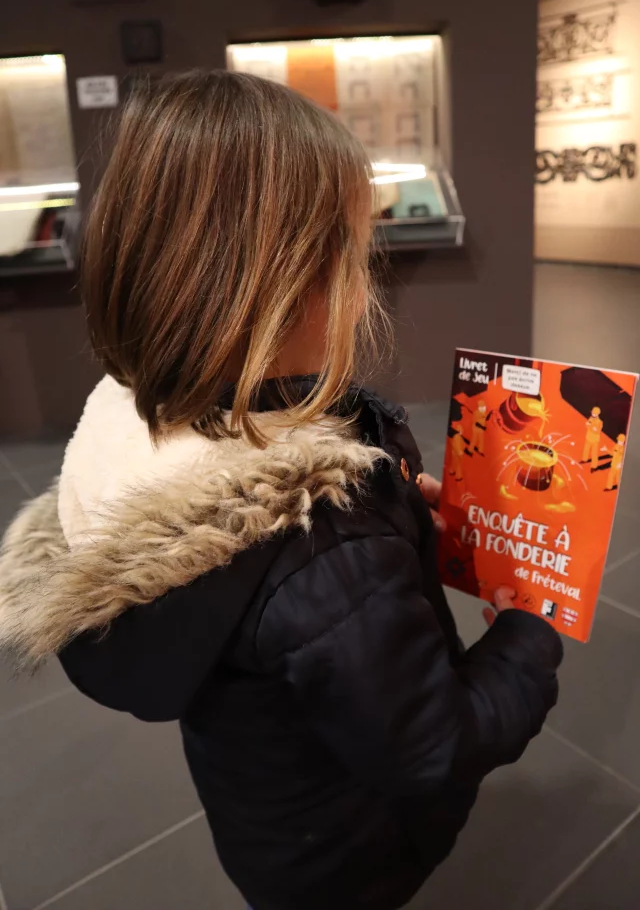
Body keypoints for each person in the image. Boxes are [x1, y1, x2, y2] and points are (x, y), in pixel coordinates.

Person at [0, 71, 562, 910]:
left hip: (266, 817)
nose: (369, 279)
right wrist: (530, 628)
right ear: (279, 287)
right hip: (353, 851)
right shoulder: (324, 544)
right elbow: (432, 747)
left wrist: (399, 506)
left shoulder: (132, 424)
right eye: (355, 249)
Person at [582, 405, 603, 470]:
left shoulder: (599, 422)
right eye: (592, 412)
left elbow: (597, 431)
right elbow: (588, 426)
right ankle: (584, 459)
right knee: (586, 449)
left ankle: (594, 466)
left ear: (597, 414)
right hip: (588, 437)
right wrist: (587, 425)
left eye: (594, 413)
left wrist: (590, 426)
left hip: (595, 440)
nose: (592, 414)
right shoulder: (591, 418)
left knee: (594, 453)